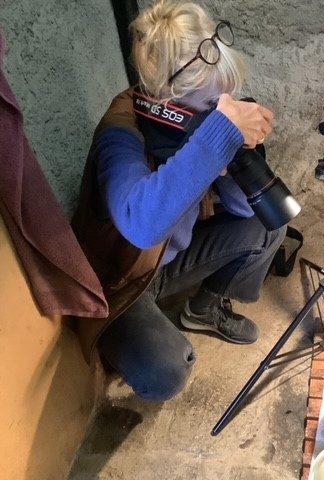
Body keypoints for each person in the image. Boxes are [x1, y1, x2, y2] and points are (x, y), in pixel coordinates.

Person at [72, 0, 286, 401]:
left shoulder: (195, 121)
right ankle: (127, 339)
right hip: (122, 283)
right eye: (211, 107)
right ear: (170, 99)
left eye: (227, 100)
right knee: (166, 369)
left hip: (171, 261)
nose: (223, 111)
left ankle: (203, 309)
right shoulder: (121, 130)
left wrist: (238, 151)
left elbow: (245, 209)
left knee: (270, 221)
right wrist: (216, 138)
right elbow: (141, 225)